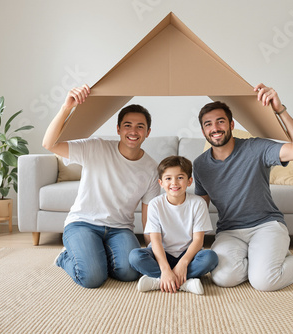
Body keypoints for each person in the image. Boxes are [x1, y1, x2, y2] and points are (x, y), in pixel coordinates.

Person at [193, 83, 293, 291]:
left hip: (266, 226)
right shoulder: (200, 165)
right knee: (223, 278)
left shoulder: (256, 148)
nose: (215, 128)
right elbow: (199, 208)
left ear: (231, 124)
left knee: (264, 282)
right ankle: (265, 260)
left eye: (220, 122)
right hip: (229, 231)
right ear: (203, 130)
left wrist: (280, 110)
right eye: (208, 124)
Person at [43, 84, 160, 288]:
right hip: (82, 223)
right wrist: (66, 107)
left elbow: (148, 218)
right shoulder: (96, 147)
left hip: (120, 229)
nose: (133, 131)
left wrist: (155, 253)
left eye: (140, 126)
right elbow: (49, 144)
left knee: (131, 271)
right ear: (118, 129)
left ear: (148, 132)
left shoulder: (152, 168)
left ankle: (97, 252)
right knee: (93, 278)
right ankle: (64, 258)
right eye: (127, 125)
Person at [129, 156, 219, 295]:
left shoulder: (198, 203)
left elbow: (198, 241)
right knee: (135, 256)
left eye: (180, 177)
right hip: (161, 254)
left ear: (189, 181)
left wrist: (183, 264)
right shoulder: (155, 204)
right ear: (161, 182)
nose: (174, 183)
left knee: (210, 257)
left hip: (187, 255)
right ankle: (183, 282)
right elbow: (156, 241)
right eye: (168, 178)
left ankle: (158, 281)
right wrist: (165, 269)